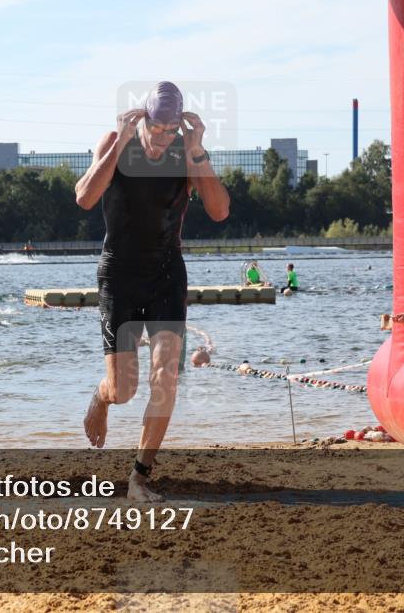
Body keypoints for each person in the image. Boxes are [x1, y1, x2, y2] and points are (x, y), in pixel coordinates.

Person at [75, 81, 230, 502]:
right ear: (142, 117)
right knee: (124, 389)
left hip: (166, 273)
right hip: (119, 274)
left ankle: (139, 476)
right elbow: (86, 197)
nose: (163, 138)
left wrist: (197, 150)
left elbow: (219, 210)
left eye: (171, 130)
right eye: (156, 128)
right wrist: (122, 141)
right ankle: (101, 396)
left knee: (165, 376)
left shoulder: (186, 151)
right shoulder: (115, 142)